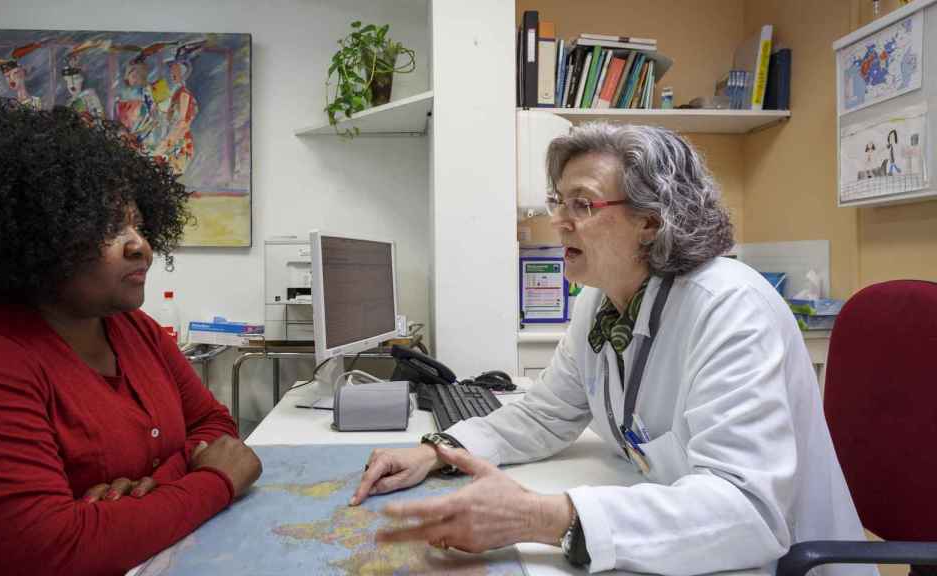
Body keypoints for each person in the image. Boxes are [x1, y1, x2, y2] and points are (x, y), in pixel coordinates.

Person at [351, 122, 873, 576]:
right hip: (678, 550)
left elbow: (748, 510)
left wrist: (545, 516)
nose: (559, 220)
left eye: (583, 203)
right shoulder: (602, 299)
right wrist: (437, 450)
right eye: (559, 200)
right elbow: (545, 415)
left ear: (652, 220)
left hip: (776, 562)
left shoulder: (731, 307)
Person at [0, 100, 262, 576]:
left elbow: (213, 425)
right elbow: (50, 556)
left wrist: (148, 493)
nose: (140, 245)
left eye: (138, 223)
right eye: (107, 227)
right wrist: (215, 480)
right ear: (30, 235)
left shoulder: (128, 326)